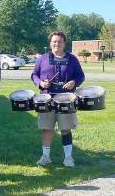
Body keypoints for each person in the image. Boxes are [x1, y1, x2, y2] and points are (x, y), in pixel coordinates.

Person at [31, 31, 85, 167]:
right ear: (50, 43)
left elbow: (80, 76)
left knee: (66, 129)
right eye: (54, 41)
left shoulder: (72, 59)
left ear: (64, 43)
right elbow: (34, 75)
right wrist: (40, 83)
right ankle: (45, 157)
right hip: (46, 99)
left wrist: (74, 82)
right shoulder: (42, 58)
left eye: (59, 41)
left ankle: (68, 158)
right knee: (47, 128)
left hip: (66, 99)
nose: (57, 44)